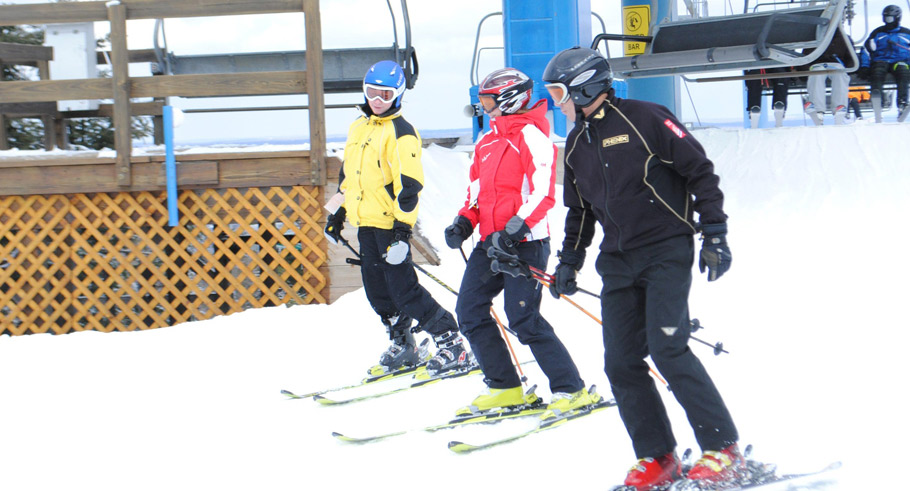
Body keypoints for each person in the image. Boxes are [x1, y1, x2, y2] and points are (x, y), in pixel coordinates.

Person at [543, 47, 740, 490]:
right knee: (621, 362)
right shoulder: (575, 144)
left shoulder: (646, 117)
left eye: (560, 92)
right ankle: (657, 457)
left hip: (665, 250)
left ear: (585, 85)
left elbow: (700, 171)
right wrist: (568, 261)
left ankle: (723, 449)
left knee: (668, 348)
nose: (557, 101)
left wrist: (715, 232)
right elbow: (579, 214)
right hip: (617, 261)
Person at [443, 68, 595, 417]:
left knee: (523, 318)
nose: (485, 107)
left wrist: (512, 231)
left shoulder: (532, 136)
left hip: (525, 242)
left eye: (488, 101)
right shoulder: (486, 141)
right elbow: (477, 192)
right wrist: (464, 222)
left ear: (510, 98)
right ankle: (505, 387)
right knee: (469, 311)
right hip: (489, 243)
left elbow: (543, 194)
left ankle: (571, 390)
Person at [324, 60, 471, 377]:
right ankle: (404, 343)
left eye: (385, 95)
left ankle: (451, 342)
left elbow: (410, 186)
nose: (378, 100)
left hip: (391, 227)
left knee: (404, 290)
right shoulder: (358, 128)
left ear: (398, 96)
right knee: (378, 291)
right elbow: (349, 176)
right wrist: (337, 212)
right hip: (366, 225)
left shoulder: (402, 133)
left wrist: (402, 233)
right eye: (372, 93)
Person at [863, 5, 910, 122]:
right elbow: (865, 50)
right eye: (886, 18)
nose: (887, 22)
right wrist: (864, 66)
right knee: (877, 73)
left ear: (897, 18)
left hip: (899, 61)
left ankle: (902, 103)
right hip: (881, 60)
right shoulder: (878, 33)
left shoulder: (906, 33)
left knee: (903, 72)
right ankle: (877, 100)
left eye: (890, 19)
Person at [802, 30, 854, 125]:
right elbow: (806, 56)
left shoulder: (844, 38)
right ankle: (818, 111)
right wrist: (805, 70)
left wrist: (849, 68)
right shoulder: (813, 37)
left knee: (840, 74)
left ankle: (840, 108)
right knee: (816, 74)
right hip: (818, 65)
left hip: (836, 64)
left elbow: (851, 57)